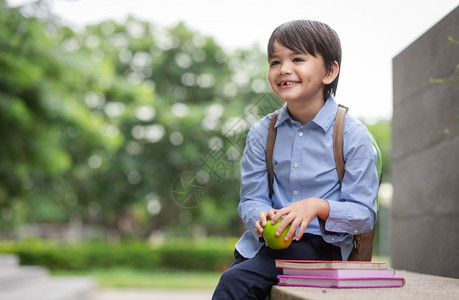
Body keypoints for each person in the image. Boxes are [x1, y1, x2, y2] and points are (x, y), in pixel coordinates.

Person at [212, 20, 379, 299]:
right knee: (238, 277)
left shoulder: (352, 135)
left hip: (322, 248)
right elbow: (251, 198)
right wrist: (260, 215)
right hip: (266, 245)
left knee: (234, 282)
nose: (284, 69)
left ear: (329, 71)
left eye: (297, 58)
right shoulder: (261, 133)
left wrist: (318, 206)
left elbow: (365, 213)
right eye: (275, 61)